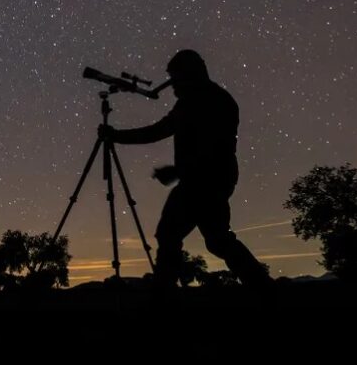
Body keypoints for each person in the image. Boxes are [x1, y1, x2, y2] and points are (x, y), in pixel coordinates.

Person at [98, 49, 273, 294]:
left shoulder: (202, 102)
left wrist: (177, 171)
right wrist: (118, 137)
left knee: (173, 235)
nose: (172, 87)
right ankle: (264, 288)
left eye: (175, 79)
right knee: (217, 240)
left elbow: (208, 147)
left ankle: (163, 296)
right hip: (211, 180)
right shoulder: (210, 100)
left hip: (203, 182)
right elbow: (164, 131)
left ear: (189, 75)